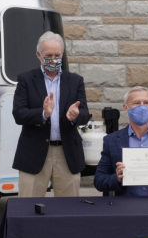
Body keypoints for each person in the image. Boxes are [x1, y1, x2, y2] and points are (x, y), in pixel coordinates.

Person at [12, 31, 90, 197]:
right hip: (34, 152)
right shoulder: (26, 79)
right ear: (39, 55)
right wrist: (43, 113)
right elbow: (19, 114)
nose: (53, 58)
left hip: (67, 153)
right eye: (49, 55)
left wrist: (75, 115)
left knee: (68, 210)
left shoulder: (75, 81)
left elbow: (84, 114)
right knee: (28, 207)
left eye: (57, 54)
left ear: (62, 54)